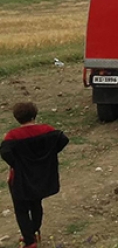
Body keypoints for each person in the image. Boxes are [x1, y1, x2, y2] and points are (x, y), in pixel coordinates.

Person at [1, 102, 68, 248]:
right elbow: (63, 139)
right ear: (34, 114)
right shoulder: (46, 130)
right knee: (36, 204)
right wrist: (48, 155)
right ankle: (35, 231)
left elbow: (5, 152)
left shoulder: (13, 135)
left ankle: (29, 241)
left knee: (21, 209)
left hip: (20, 178)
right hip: (41, 175)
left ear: (17, 118)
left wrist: (17, 163)